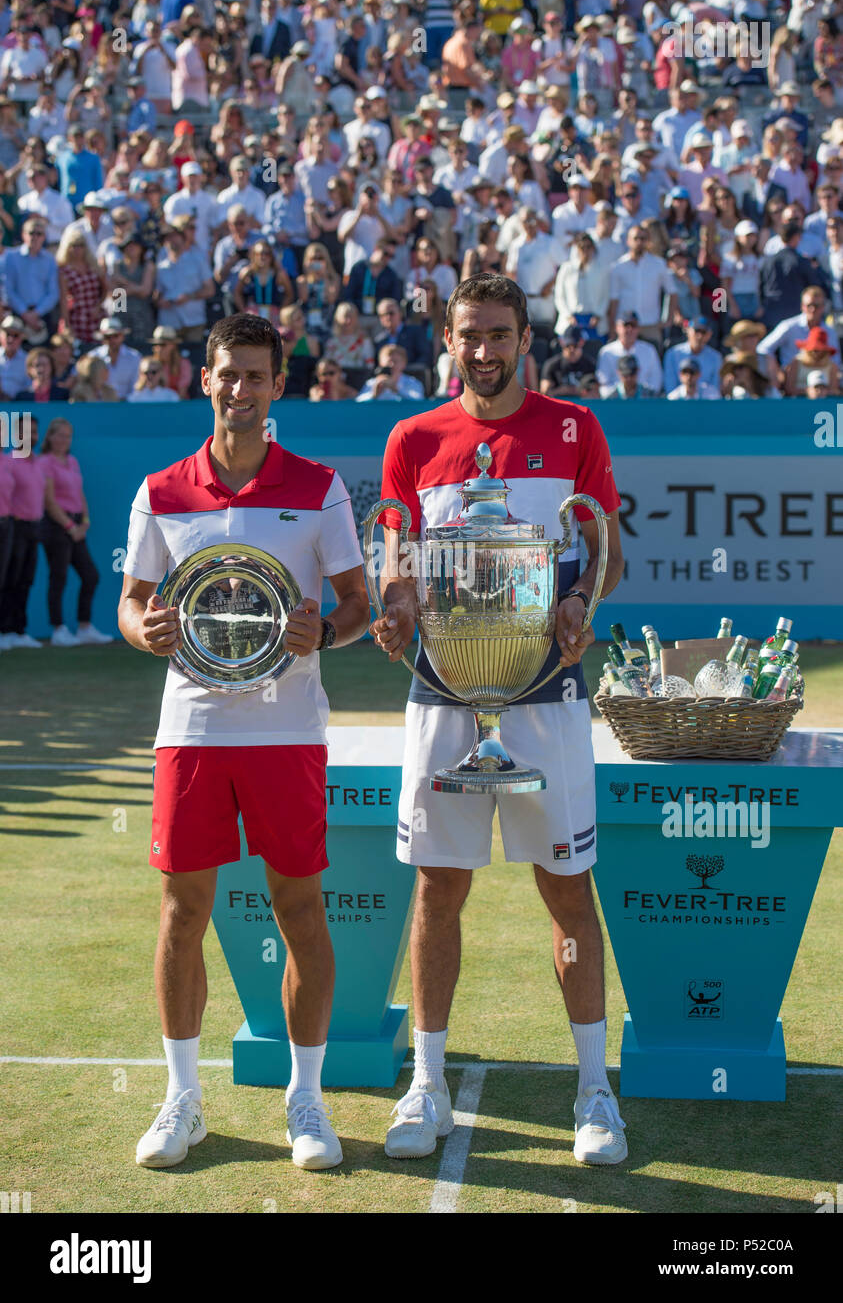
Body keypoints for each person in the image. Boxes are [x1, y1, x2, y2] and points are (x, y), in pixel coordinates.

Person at [370, 275, 628, 1166]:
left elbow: (607, 556)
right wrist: (398, 610)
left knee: (567, 891)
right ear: (448, 339)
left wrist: (577, 607)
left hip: (549, 693)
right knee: (439, 888)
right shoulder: (414, 437)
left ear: (526, 339)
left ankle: (594, 1092)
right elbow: (398, 557)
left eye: (498, 334)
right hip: (443, 694)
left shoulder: (574, 429)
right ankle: (427, 1085)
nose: (483, 351)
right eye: (468, 335)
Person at [118, 313, 370, 1173]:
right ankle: (182, 1100)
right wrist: (141, 630)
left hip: (285, 731)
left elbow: (356, 606)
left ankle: (306, 1100)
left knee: (299, 910)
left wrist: (321, 634)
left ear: (276, 386)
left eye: (256, 376)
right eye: (227, 374)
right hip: (189, 729)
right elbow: (131, 603)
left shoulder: (320, 486)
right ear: (205, 378)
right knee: (183, 912)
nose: (240, 390)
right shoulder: (161, 489)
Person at [40, 418, 111, 647]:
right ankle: (58, 629)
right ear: (50, 437)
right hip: (56, 526)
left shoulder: (72, 461)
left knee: (91, 575)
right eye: (59, 435)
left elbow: (79, 494)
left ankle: (84, 627)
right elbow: (49, 501)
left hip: (77, 525)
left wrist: (85, 522)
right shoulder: (45, 462)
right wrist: (70, 527)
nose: (63, 440)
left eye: (67, 436)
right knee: (58, 577)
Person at [0, 414, 46, 650]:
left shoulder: (38, 463)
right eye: (22, 432)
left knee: (26, 580)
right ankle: (5, 629)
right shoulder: (9, 461)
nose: (28, 437)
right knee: (11, 578)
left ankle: (19, 630)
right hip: (14, 527)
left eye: (32, 432)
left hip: (34, 528)